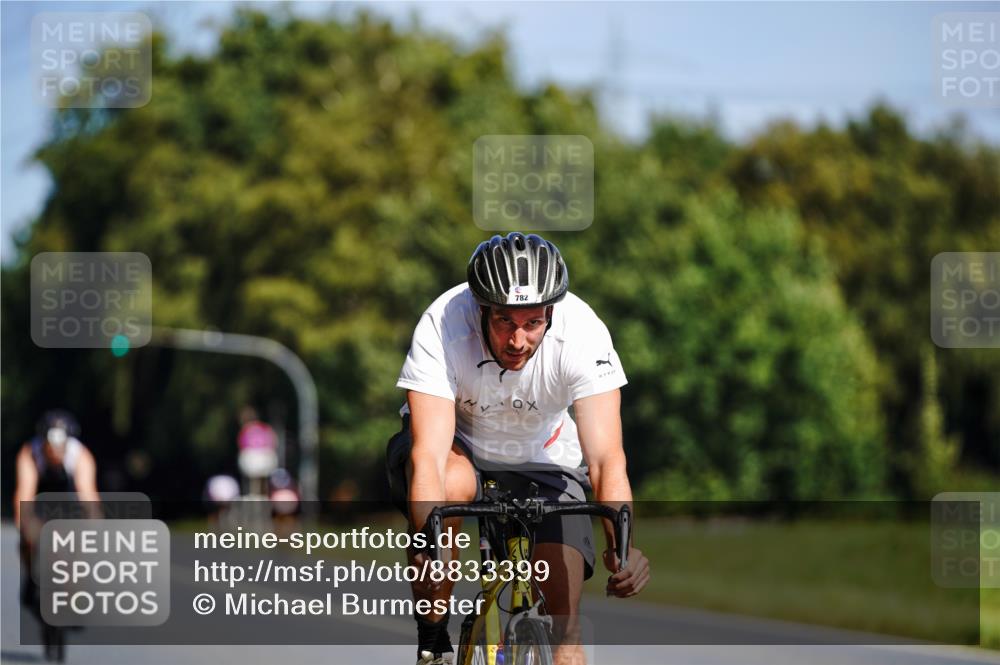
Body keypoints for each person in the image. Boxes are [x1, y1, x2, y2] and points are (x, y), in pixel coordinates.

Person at [386, 232, 650, 665]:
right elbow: (428, 458)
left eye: (533, 323)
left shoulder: (583, 333)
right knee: (448, 491)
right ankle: (432, 642)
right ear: (482, 309)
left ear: (551, 313)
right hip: (459, 446)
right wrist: (430, 550)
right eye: (504, 322)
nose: (518, 340)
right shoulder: (443, 323)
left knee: (568, 632)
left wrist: (623, 549)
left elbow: (606, 460)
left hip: (542, 456)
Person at [13, 410, 100, 619]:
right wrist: (24, 526)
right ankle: (31, 576)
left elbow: (88, 494)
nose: (55, 450)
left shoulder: (80, 456)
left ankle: (75, 593)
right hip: (40, 499)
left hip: (69, 502)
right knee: (27, 540)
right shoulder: (30, 453)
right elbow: (24, 494)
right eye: (51, 444)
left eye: (60, 444)